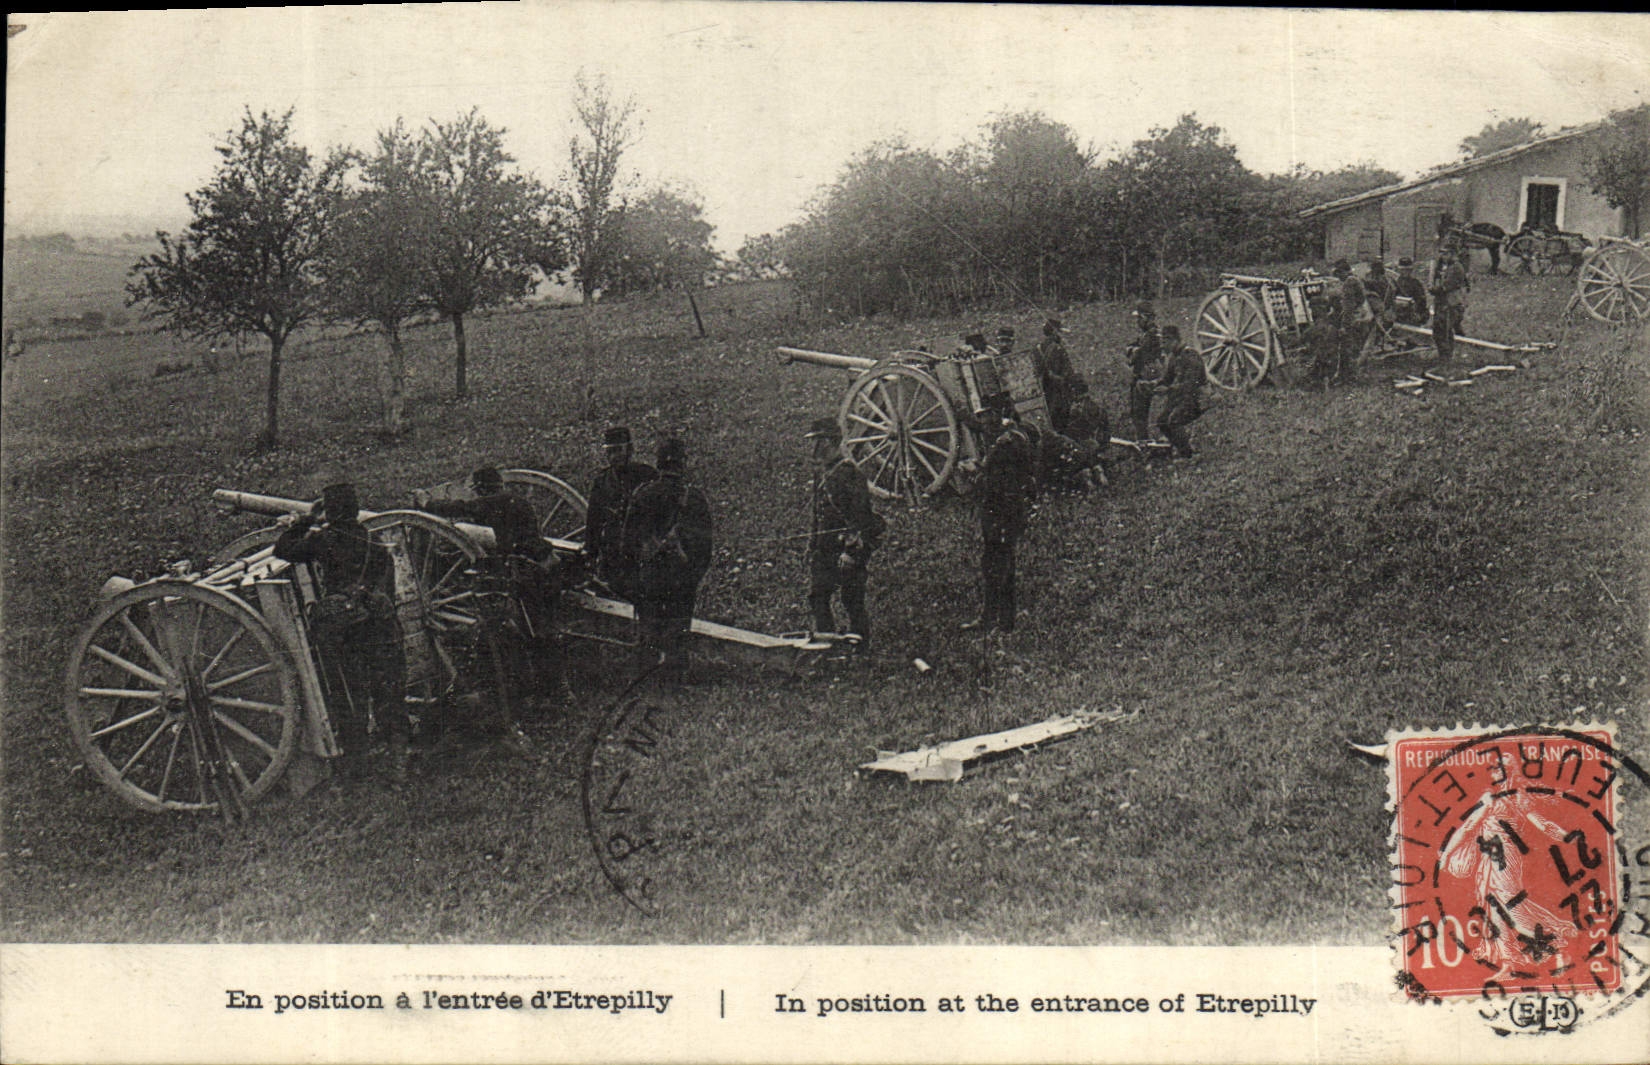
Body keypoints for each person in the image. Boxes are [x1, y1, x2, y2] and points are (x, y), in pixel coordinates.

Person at [274, 483, 408, 780]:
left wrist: (306, 520)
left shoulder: (324, 539)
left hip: (346, 630)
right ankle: (398, 763)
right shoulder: (374, 540)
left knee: (349, 693)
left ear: (330, 512)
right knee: (387, 691)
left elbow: (282, 549)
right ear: (356, 510)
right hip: (380, 625)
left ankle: (357, 765)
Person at [416, 467, 562, 714]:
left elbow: (459, 508)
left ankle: (543, 693)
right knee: (543, 628)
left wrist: (426, 503)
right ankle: (549, 689)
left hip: (527, 571)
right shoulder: (518, 501)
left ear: (482, 489)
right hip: (546, 564)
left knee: (531, 632)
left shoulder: (491, 502)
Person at [622, 437, 713, 687]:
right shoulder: (694, 498)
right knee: (678, 629)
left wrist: (635, 576)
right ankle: (675, 679)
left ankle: (646, 680)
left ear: (659, 464)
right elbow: (705, 547)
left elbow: (627, 543)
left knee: (649, 629)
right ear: (683, 464)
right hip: (681, 578)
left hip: (650, 576)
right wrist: (693, 575)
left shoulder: (643, 494)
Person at [804, 418, 885, 651]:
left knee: (852, 599)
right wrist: (812, 546)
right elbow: (817, 514)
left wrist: (851, 553)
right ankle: (827, 644)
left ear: (828, 442)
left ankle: (860, 645)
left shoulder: (850, 473)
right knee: (818, 597)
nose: (813, 447)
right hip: (825, 548)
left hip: (847, 549)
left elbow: (861, 518)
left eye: (817, 441)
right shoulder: (823, 472)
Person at [963, 393, 1034, 634]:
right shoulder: (1016, 436)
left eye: (986, 416)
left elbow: (994, 483)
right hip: (1008, 512)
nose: (983, 421)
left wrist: (973, 473)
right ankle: (998, 619)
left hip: (1001, 513)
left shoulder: (1005, 445)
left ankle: (999, 622)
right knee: (999, 565)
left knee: (998, 567)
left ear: (997, 415)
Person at [582, 426, 657, 599]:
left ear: (629, 450)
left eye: (618, 450)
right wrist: (590, 556)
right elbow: (593, 523)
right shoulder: (602, 481)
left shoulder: (647, 476)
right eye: (609, 452)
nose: (613, 457)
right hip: (612, 558)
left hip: (640, 557)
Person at [1155, 325, 1205, 457]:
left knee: (1174, 421)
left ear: (1173, 340)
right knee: (1162, 421)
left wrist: (1168, 390)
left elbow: (1191, 384)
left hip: (1196, 399)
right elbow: (1167, 379)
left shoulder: (1190, 356)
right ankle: (1179, 448)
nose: (1162, 346)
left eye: (1164, 342)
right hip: (1182, 398)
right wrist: (1154, 385)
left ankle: (1188, 455)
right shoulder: (1174, 357)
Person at [1123, 302, 1164, 443]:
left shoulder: (1151, 335)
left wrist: (1132, 350)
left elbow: (1135, 356)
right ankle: (1145, 440)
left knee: (1139, 412)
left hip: (1145, 377)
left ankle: (1144, 441)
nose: (1137, 322)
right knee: (1140, 413)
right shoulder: (1151, 334)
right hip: (1148, 375)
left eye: (1139, 318)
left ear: (1146, 318)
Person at [1034, 317, 1083, 434]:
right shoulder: (1059, 349)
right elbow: (1069, 375)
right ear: (1054, 332)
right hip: (1058, 394)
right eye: (1059, 332)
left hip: (1041, 394)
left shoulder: (1036, 349)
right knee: (1061, 425)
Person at [1332, 259, 1373, 369]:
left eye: (1339, 274)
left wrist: (1344, 326)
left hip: (1355, 317)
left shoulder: (1349, 283)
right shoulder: (1356, 279)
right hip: (1363, 314)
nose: (1338, 277)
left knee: (1350, 344)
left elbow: (1348, 307)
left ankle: (1352, 367)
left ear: (1343, 272)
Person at [1430, 249, 1469, 362]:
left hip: (1451, 302)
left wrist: (1436, 289)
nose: (1443, 256)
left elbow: (1447, 285)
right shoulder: (1443, 265)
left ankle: (1446, 356)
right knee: (1440, 329)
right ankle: (1444, 354)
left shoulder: (1456, 267)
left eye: (1446, 254)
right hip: (1442, 302)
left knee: (1444, 330)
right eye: (1441, 253)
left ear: (1452, 254)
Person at [1302, 295, 1342, 387]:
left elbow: (1295, 342)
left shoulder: (1314, 328)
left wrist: (1278, 333)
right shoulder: (1334, 324)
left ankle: (1319, 379)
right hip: (1334, 365)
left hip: (1321, 365)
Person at [1392, 258, 1430, 326]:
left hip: (1411, 315)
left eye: (1407, 270)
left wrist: (1417, 311)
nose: (1405, 272)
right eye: (1402, 270)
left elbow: (1422, 301)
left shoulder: (1416, 283)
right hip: (1397, 314)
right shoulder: (1395, 282)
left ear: (1411, 271)